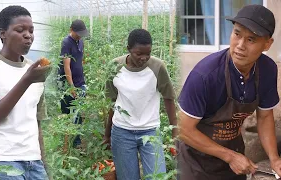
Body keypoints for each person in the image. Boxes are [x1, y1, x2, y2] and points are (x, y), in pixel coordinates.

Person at [177, 4, 281, 180]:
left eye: (251, 39)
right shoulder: (205, 76)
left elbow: (264, 117)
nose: (240, 45)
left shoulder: (268, 69)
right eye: (237, 34)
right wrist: (230, 156)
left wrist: (274, 159)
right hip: (196, 163)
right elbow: (183, 129)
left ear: (267, 44)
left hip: (232, 157)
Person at [0, 5, 51, 180]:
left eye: (31, 30)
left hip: (34, 163)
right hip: (2, 163)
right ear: (3, 33)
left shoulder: (35, 69)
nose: (28, 35)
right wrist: (26, 80)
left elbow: (35, 121)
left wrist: (43, 164)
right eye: (20, 30)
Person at [103, 29, 177, 180]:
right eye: (139, 54)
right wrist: (107, 133)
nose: (144, 58)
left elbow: (168, 98)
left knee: (157, 177)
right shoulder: (115, 67)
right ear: (128, 49)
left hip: (150, 131)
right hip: (122, 131)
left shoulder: (157, 67)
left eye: (148, 53)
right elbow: (112, 102)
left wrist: (175, 132)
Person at [58, 19, 88, 148]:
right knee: (68, 111)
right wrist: (71, 87)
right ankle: (66, 141)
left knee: (78, 111)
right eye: (78, 33)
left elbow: (81, 59)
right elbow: (66, 66)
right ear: (71, 30)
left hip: (80, 81)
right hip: (68, 84)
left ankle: (76, 141)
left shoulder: (80, 41)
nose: (80, 35)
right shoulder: (66, 43)